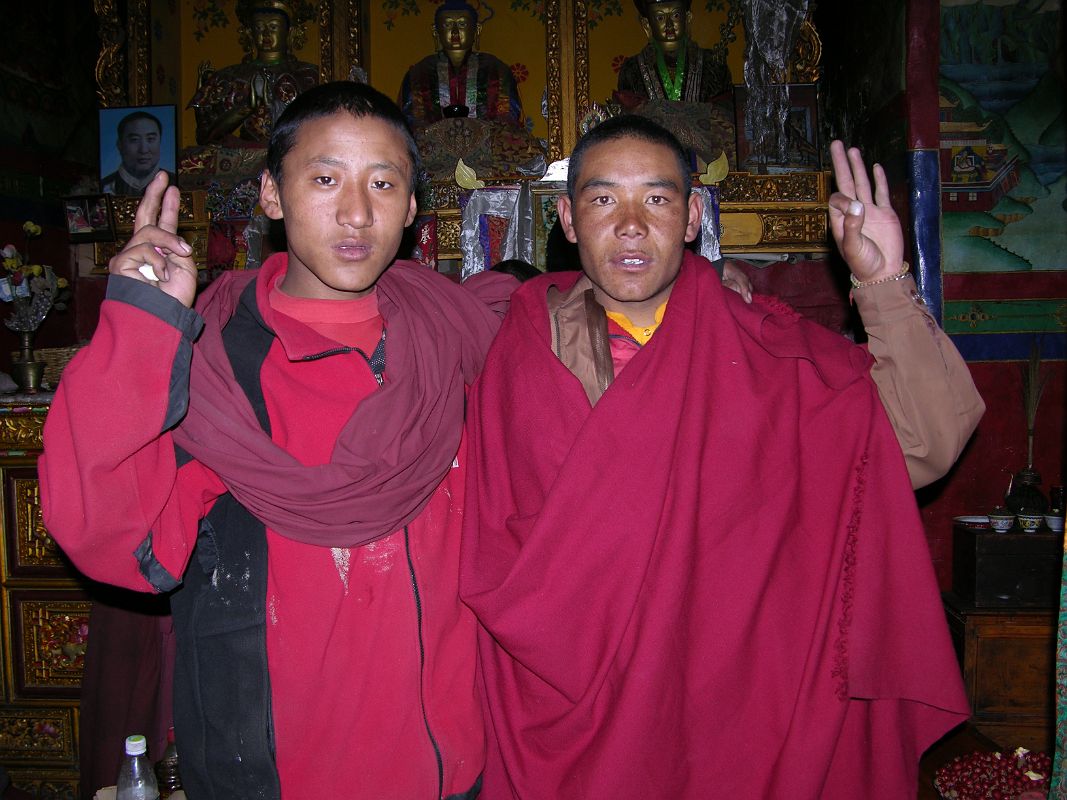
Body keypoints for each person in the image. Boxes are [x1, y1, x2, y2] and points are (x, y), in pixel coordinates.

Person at [459, 116, 984, 798]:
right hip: (557, 717)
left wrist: (882, 283)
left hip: (730, 714)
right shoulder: (518, 353)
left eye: (656, 198)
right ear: (564, 216)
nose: (628, 224)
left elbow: (921, 442)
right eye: (600, 199)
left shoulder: (763, 349)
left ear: (691, 217)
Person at [39, 81, 512, 800]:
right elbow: (116, 543)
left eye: (383, 183)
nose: (356, 212)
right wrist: (139, 325)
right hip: (275, 771)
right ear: (271, 195)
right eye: (324, 179)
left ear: (413, 209)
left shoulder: (456, 338)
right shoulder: (217, 364)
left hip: (450, 768)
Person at [187, 0, 318, 147]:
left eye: (273, 27)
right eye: (259, 27)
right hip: (246, 156)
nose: (266, 33)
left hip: (296, 150)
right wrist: (245, 109)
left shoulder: (309, 75)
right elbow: (205, 137)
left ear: (289, 31)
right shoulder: (230, 76)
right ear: (250, 33)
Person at [399, 0, 525, 130]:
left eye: (462, 24)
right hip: (433, 146)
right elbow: (411, 122)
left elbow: (507, 120)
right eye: (447, 24)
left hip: (488, 146)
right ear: (435, 30)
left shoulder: (498, 71)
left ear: (477, 29)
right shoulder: (419, 73)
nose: (454, 32)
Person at [616, 0, 732, 104]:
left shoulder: (713, 65)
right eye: (660, 18)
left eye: (676, 15)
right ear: (646, 24)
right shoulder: (632, 70)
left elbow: (725, 116)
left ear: (687, 18)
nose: (669, 26)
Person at [101, 111, 174, 197]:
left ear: (160, 142)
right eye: (134, 140)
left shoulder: (175, 184)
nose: (144, 150)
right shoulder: (104, 187)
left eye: (150, 139)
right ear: (119, 145)